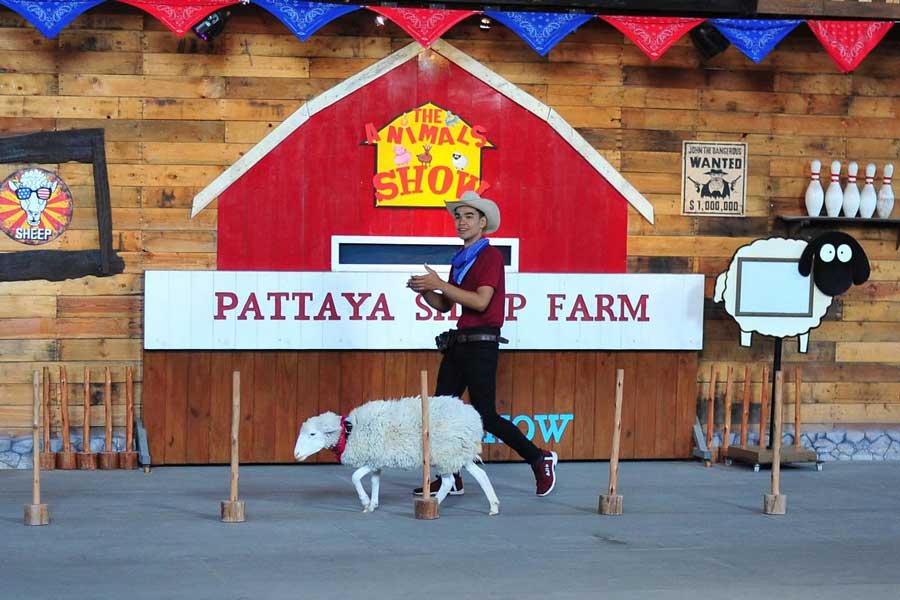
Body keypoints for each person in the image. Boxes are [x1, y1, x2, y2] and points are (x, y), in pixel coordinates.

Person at [406, 190, 558, 497]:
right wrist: (424, 290)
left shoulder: (490, 257)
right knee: (440, 412)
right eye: (458, 216)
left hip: (481, 345)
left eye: (469, 216)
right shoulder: (460, 259)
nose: (461, 222)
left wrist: (439, 284)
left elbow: (480, 301)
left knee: (485, 415)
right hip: (458, 343)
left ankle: (539, 458)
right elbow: (446, 306)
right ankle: (451, 476)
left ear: (483, 222)